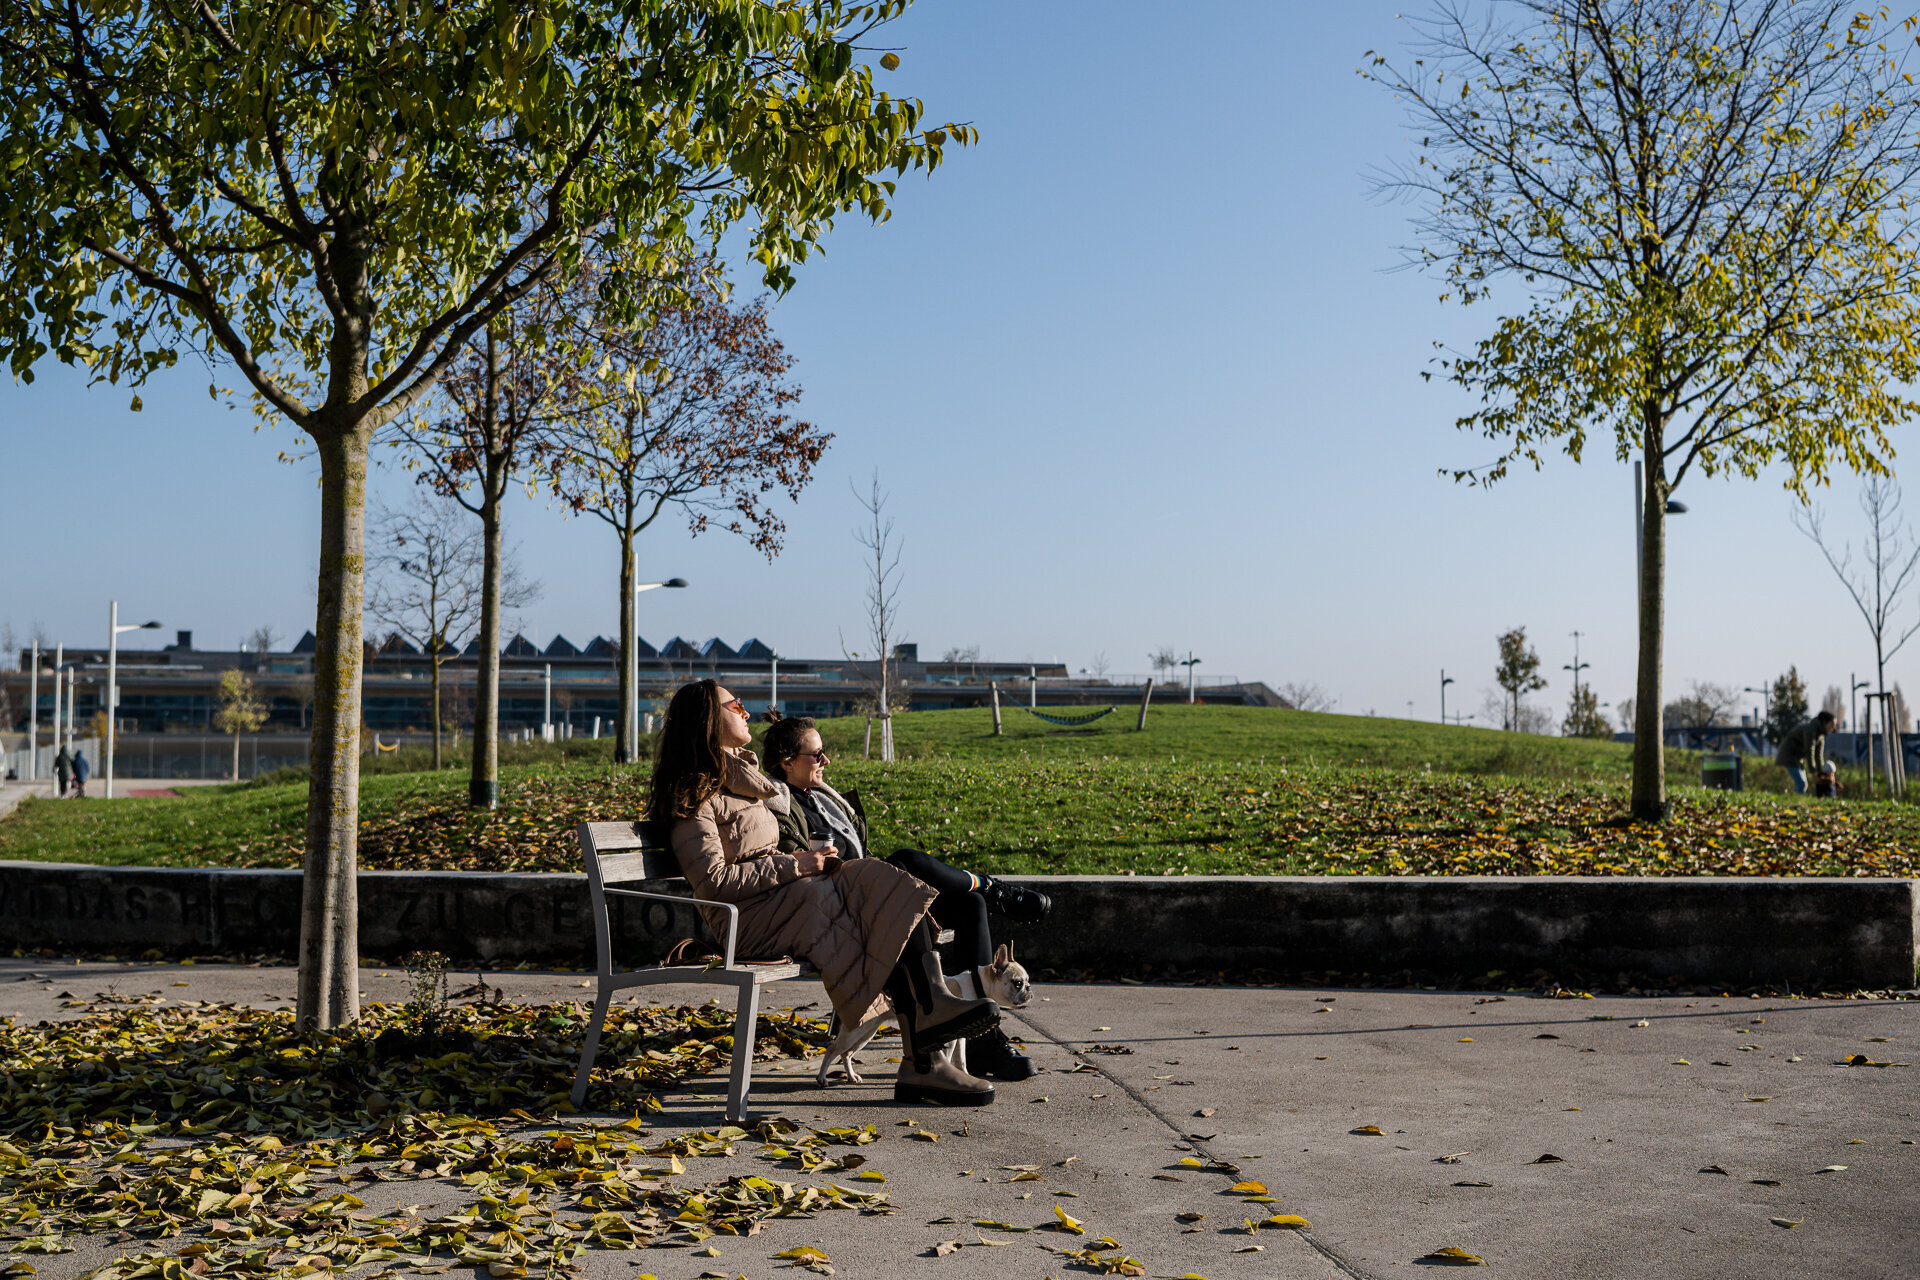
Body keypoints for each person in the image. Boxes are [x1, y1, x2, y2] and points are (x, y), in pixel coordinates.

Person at [653, 679, 1002, 1106]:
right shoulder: (694, 795)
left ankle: (931, 1021)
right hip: (746, 921)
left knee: (880, 882)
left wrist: (809, 863)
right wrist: (798, 864)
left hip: (781, 902)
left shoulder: (742, 780)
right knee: (856, 902)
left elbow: (764, 855)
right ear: (708, 719)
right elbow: (715, 883)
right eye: (735, 705)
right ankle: (925, 1051)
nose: (745, 711)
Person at [760, 714, 1049, 1081]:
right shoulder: (777, 809)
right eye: (817, 754)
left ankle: (981, 1039)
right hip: (841, 908)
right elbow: (797, 870)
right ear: (787, 762)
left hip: (870, 894)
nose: (826, 760)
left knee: (968, 905)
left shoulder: (823, 799)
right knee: (906, 859)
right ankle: (990, 887)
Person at [1775, 710, 1836, 795]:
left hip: (1797, 758)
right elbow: (1809, 752)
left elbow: (1818, 756)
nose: (1834, 728)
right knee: (1801, 784)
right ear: (1825, 722)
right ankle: (1795, 802)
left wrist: (1821, 773)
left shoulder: (1821, 735)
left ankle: (1796, 800)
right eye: (1832, 724)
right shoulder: (1810, 729)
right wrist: (1814, 775)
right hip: (1788, 756)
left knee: (1803, 785)